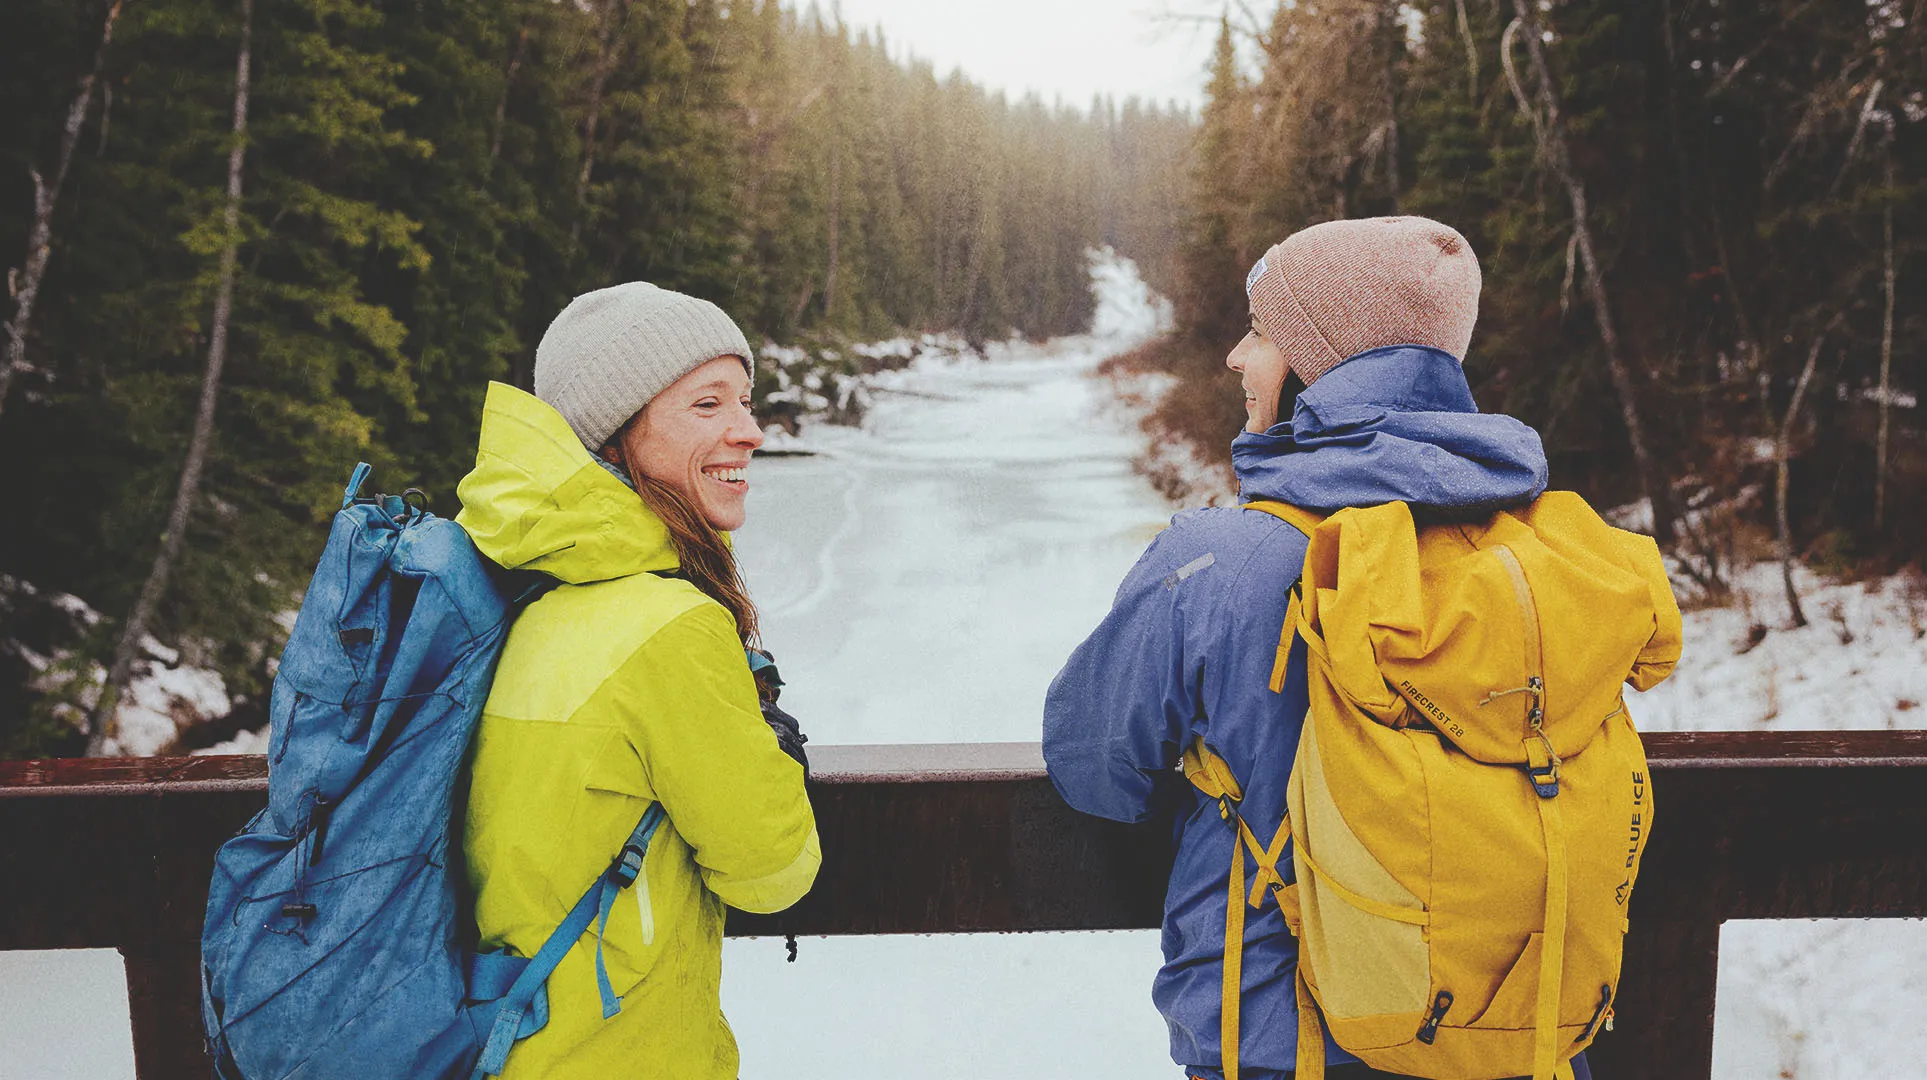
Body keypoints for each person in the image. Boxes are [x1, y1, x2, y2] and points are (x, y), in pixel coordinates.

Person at [1043, 216, 1591, 1080]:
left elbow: (1092, 766)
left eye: (1262, 332)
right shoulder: (1535, 561)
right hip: (1513, 1038)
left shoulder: (1218, 564)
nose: (1233, 355)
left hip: (1293, 1046)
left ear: (1317, 369)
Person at [455, 282, 819, 1079]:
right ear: (615, 435)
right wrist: (772, 754)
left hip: (510, 1050)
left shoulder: (521, 587)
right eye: (706, 405)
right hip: (620, 1055)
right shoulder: (670, 628)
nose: (749, 432)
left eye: (745, 403)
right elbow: (770, 874)